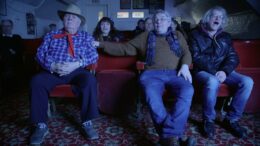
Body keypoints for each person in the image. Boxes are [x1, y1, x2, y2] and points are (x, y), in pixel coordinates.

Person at [93, 9, 195, 146]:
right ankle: (174, 137)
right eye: (156, 20)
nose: (159, 22)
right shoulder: (145, 36)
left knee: (188, 90)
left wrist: (184, 66)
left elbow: (186, 52)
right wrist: (100, 44)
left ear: (169, 22)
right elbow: (124, 48)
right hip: (152, 74)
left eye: (162, 19)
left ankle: (168, 138)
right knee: (152, 97)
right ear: (153, 23)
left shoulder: (178, 35)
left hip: (175, 73)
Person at [29, 3, 99, 145]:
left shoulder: (85, 36)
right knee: (36, 81)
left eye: (73, 18)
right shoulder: (52, 35)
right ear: (63, 19)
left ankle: (87, 121)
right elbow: (40, 53)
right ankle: (41, 125)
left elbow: (94, 55)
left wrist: (77, 64)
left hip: (76, 70)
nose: (69, 20)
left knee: (90, 80)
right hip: (53, 70)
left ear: (79, 22)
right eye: (67, 17)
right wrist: (53, 65)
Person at [189, 6, 254, 139]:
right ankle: (208, 120)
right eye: (215, 16)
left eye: (221, 17)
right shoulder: (194, 34)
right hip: (202, 71)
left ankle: (231, 119)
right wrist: (215, 72)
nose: (218, 18)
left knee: (247, 81)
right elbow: (196, 57)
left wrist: (224, 71)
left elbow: (233, 57)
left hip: (222, 71)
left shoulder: (225, 36)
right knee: (212, 81)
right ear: (207, 18)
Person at [0, 19, 24, 97]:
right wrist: (10, 50)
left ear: (12, 27)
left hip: (15, 60)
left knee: (9, 60)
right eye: (4, 26)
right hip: (2, 60)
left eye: (8, 26)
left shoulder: (17, 37)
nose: (6, 28)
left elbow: (21, 49)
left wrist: (13, 51)